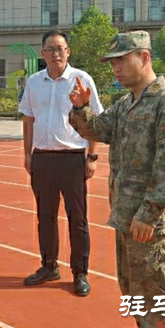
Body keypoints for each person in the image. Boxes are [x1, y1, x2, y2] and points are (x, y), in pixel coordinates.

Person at [68, 31, 165, 327]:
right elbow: (99, 130)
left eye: (122, 60)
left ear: (145, 57)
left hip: (150, 224)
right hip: (127, 218)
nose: (116, 68)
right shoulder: (126, 103)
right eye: (113, 63)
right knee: (134, 294)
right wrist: (81, 109)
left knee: (157, 299)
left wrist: (149, 214)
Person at [18, 29, 103, 297]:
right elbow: (28, 118)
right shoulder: (34, 82)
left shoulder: (81, 79)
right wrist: (27, 153)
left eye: (60, 48)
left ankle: (80, 272)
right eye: (51, 49)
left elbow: (95, 120)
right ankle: (49, 266)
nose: (56, 54)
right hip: (42, 159)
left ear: (68, 51)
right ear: (42, 53)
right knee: (45, 217)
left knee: (77, 218)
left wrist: (92, 157)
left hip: (72, 159)